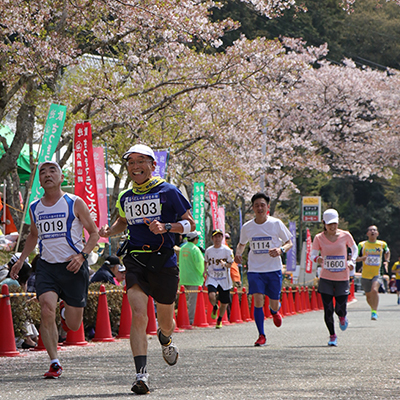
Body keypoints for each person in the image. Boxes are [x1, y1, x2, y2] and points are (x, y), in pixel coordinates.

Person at [99, 144, 196, 395]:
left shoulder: (169, 191)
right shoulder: (125, 196)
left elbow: (190, 223)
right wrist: (110, 231)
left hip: (164, 261)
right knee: (139, 314)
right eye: (131, 162)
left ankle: (165, 338)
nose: (135, 166)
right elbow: (123, 220)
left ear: (153, 165)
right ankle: (141, 375)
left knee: (166, 322)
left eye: (141, 161)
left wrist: (167, 227)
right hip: (135, 260)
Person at [10, 160, 99, 378]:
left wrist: (82, 256)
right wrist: (22, 259)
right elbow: (33, 235)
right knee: (46, 310)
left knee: (74, 324)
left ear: (61, 178)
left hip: (73, 267)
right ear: (39, 180)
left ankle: (65, 308)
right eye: (43, 172)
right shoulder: (35, 207)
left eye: (53, 171)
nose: (48, 175)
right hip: (47, 267)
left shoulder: (75, 202)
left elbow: (94, 233)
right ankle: (54, 362)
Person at [234, 192, 292, 346]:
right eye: (256, 205)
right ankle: (261, 335)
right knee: (258, 300)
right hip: (255, 270)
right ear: (253, 208)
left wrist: (281, 250)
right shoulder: (247, 227)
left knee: (273, 302)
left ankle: (274, 311)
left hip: (273, 269)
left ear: (267, 207)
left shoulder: (276, 224)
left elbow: (289, 242)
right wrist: (238, 254)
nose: (259, 208)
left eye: (262, 205)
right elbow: (241, 244)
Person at [311, 209, 358, 347]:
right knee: (328, 309)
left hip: (342, 277)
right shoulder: (319, 238)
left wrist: (351, 262)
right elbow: (312, 254)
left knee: (339, 308)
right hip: (326, 277)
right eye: (330, 224)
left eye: (335, 224)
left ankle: (342, 317)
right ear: (324, 223)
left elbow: (354, 249)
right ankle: (332, 335)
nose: (333, 227)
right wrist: (317, 258)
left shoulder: (345, 235)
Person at [357, 225, 390, 320]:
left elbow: (387, 252)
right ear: (367, 233)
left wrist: (386, 261)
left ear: (377, 233)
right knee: (368, 296)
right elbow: (355, 258)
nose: (373, 232)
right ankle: (373, 308)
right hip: (365, 274)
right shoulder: (362, 245)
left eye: (375, 230)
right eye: (370, 230)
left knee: (374, 290)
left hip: (377, 273)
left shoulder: (382, 244)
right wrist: (362, 258)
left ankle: (374, 312)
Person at [204, 229, 234, 329]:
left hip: (224, 278)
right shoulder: (209, 250)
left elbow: (231, 264)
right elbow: (205, 261)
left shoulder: (227, 250)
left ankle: (219, 319)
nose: (218, 239)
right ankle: (215, 306)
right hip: (212, 276)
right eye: (216, 237)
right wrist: (205, 270)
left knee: (225, 302)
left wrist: (225, 264)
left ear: (222, 238)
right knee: (211, 295)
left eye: (220, 236)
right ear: (212, 238)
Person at [178, 231, 205, 324]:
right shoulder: (195, 249)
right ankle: (191, 320)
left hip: (184, 278)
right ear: (195, 239)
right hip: (194, 279)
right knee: (193, 302)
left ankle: (182, 318)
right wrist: (203, 273)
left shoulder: (182, 248)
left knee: (184, 301)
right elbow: (200, 264)